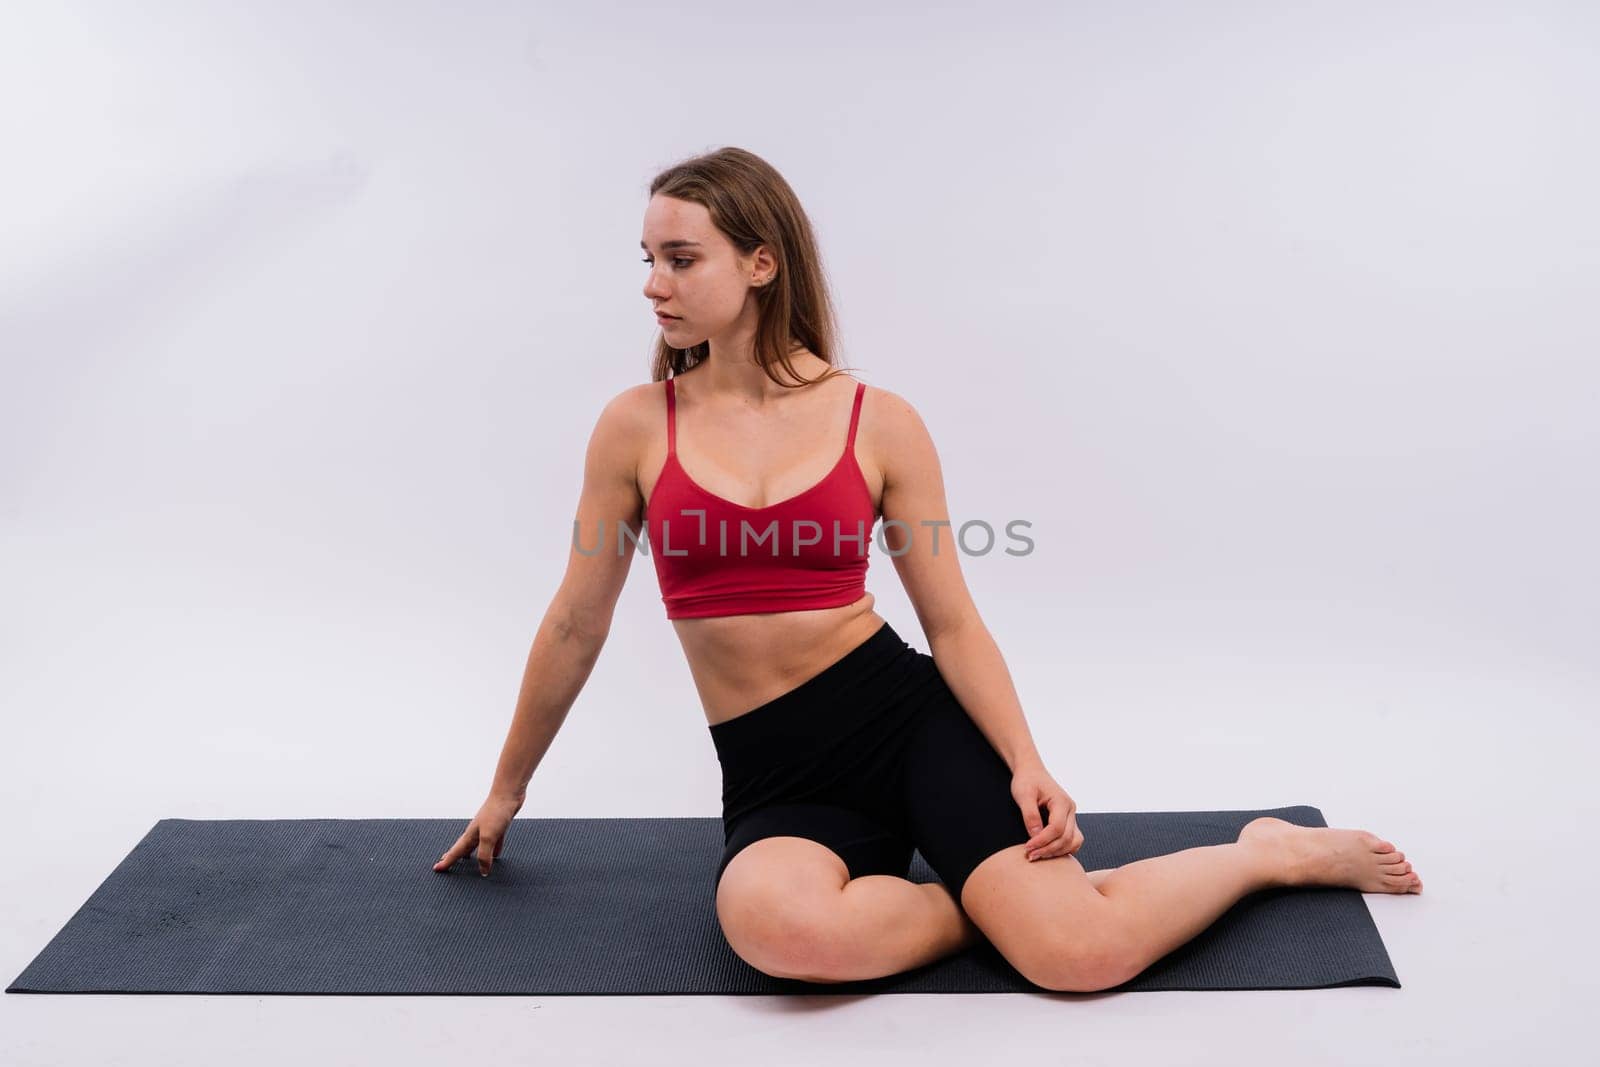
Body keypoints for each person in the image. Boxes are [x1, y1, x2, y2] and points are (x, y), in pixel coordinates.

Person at [433, 147, 1422, 991]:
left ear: (761, 262)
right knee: (775, 931)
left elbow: (950, 621)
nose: (654, 282)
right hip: (780, 772)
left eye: (680, 258)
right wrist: (506, 788)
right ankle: (974, 900)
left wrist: (1025, 759)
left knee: (1077, 957)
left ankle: (1260, 855)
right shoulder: (636, 426)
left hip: (910, 727)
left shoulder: (879, 420)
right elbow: (576, 619)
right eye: (648, 259)